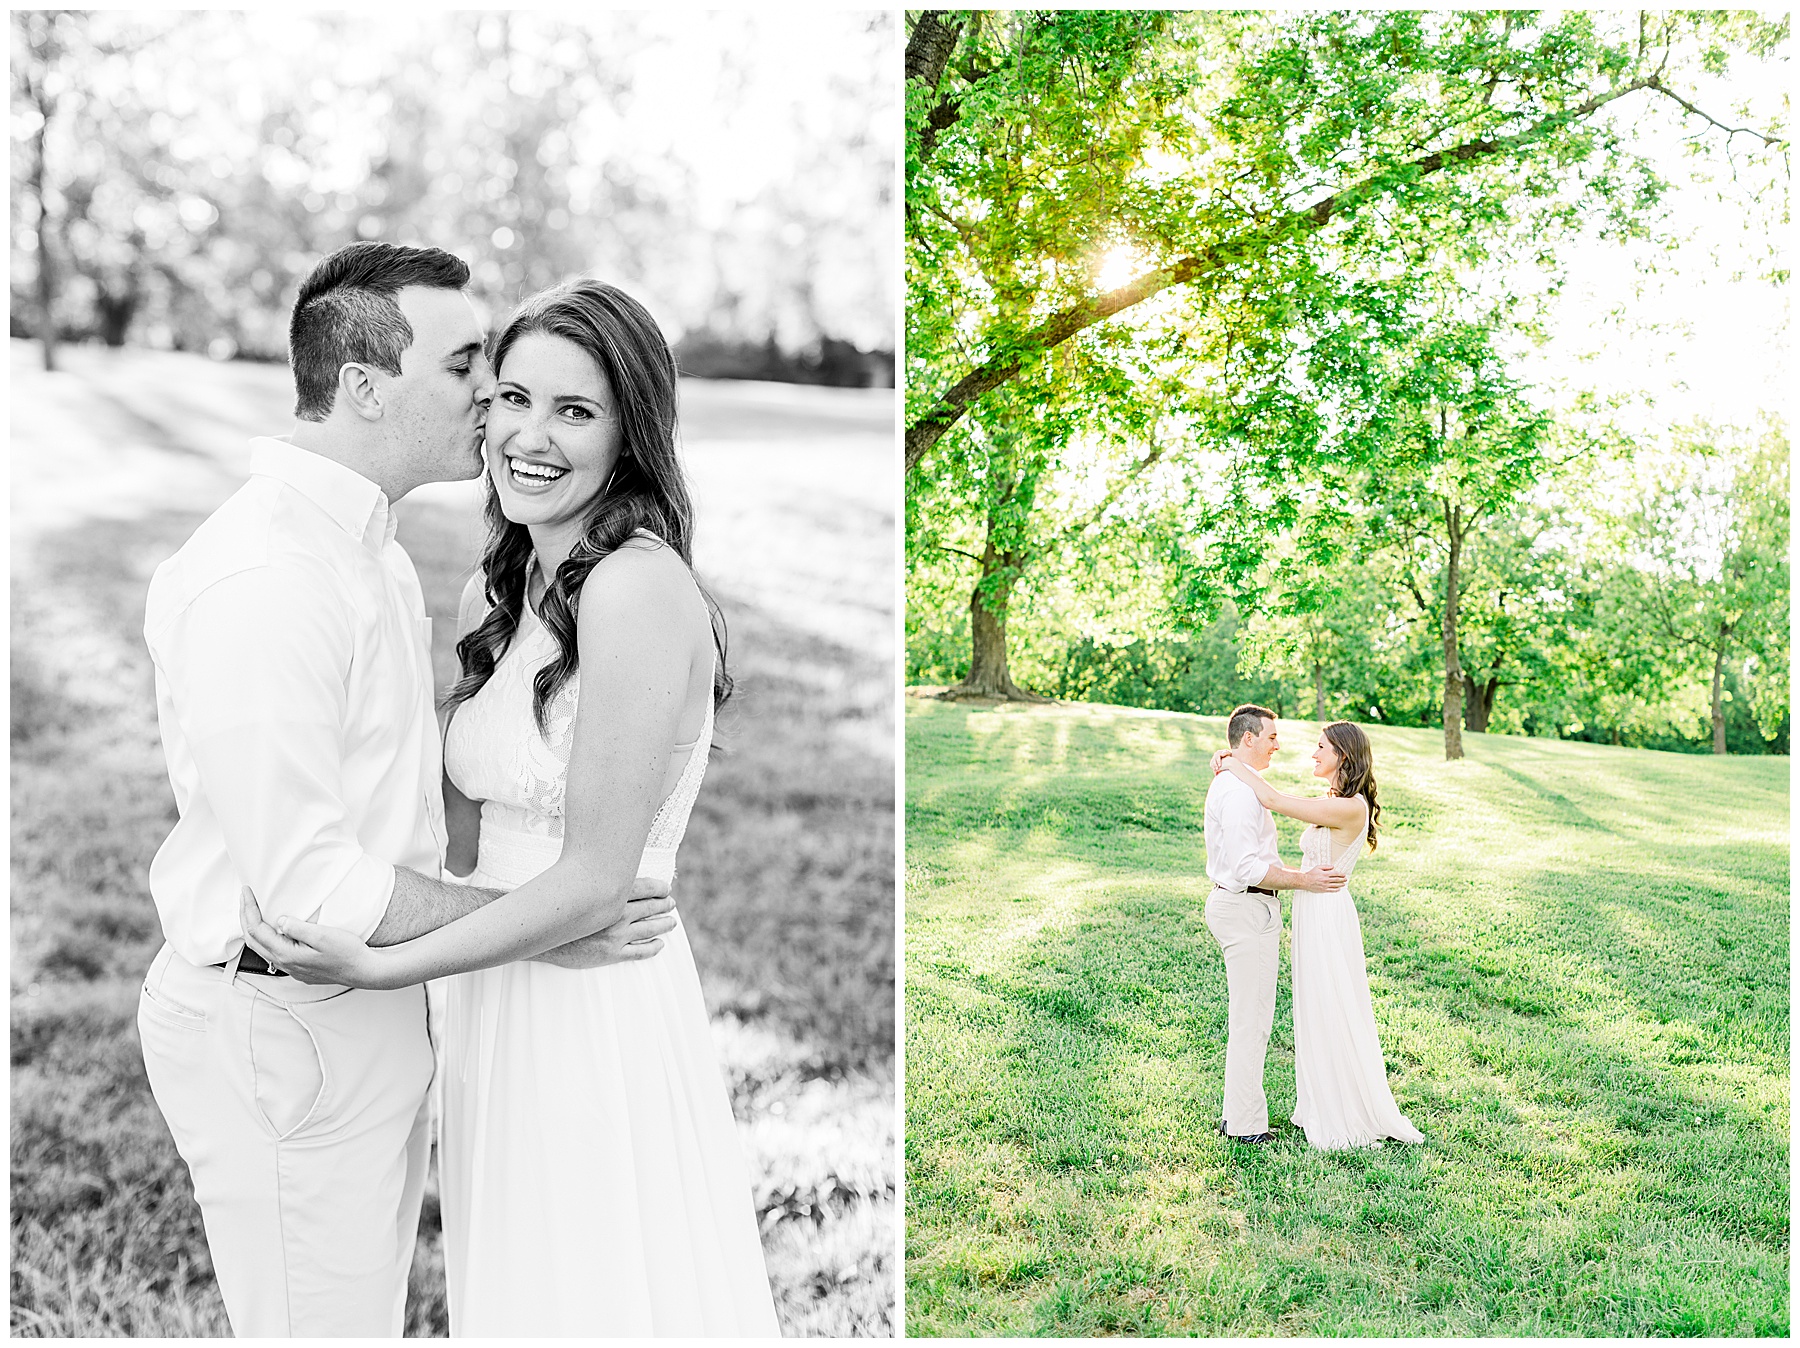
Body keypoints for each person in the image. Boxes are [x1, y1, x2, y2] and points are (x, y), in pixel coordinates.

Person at [136, 242, 673, 1337]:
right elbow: (308, 886)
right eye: (469, 366)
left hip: (379, 1000)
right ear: (367, 386)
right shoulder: (268, 579)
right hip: (290, 1015)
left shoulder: (368, 552)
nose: (492, 397)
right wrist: (544, 926)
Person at [242, 278, 781, 1336]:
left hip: (593, 1000)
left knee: (597, 1289)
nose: (530, 436)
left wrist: (379, 964)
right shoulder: (502, 587)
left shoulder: (636, 587)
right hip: (497, 990)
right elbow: (456, 812)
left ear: (631, 433)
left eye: (575, 412)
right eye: (515, 397)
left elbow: (591, 880)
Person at [1213, 719, 1424, 1149]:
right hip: (1312, 911)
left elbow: (1272, 798)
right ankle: (1320, 1103)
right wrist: (1232, 761)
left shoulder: (1351, 807)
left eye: (1321, 747)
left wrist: (1230, 760)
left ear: (1342, 756)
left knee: (1332, 1004)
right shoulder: (1335, 799)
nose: (1312, 753)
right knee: (1314, 1008)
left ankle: (1343, 1110)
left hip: (1327, 915)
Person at [1202, 704, 1345, 1144]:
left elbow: (1272, 803)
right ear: (1248, 738)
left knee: (1249, 1017)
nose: (1277, 744)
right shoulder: (1239, 792)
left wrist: (1224, 761)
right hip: (1246, 907)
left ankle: (1234, 1115)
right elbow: (1248, 867)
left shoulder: (1235, 782)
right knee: (1253, 1021)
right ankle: (1245, 1127)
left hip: (1240, 907)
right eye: (1270, 737)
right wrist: (1304, 880)